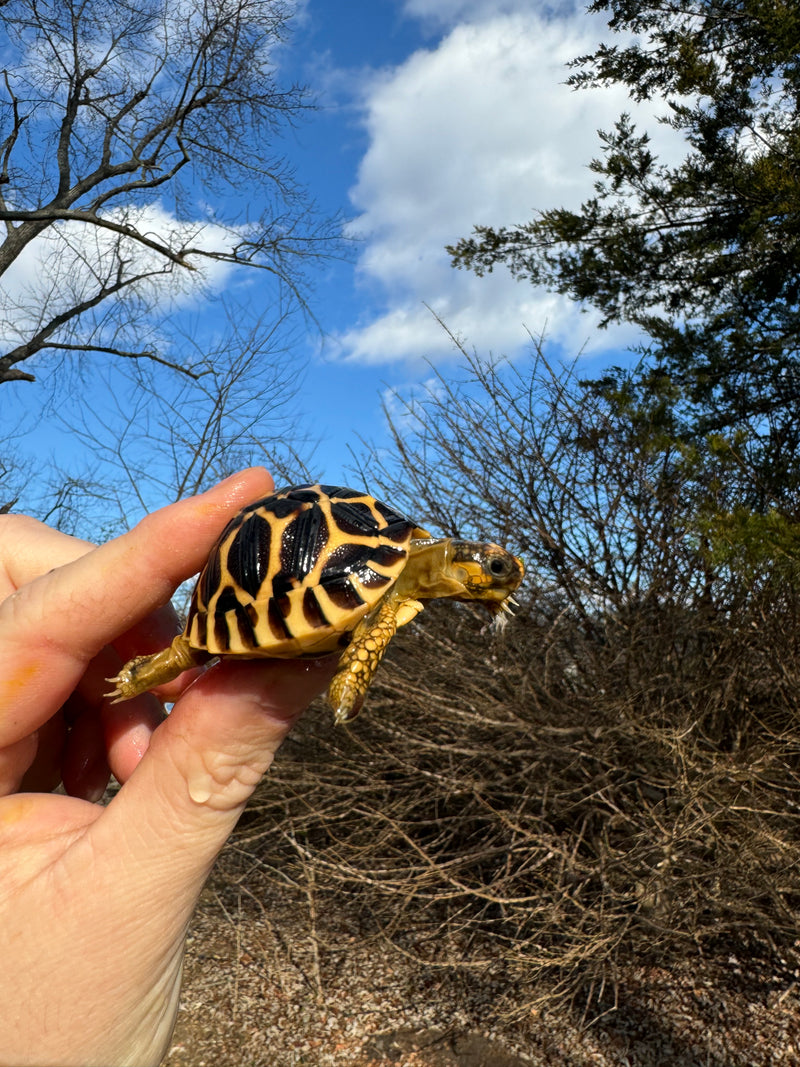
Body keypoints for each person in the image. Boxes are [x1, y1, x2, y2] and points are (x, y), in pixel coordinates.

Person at [0, 467, 334, 1067]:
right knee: (171, 662)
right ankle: (135, 674)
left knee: (169, 662)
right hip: (241, 604)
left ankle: (138, 673)